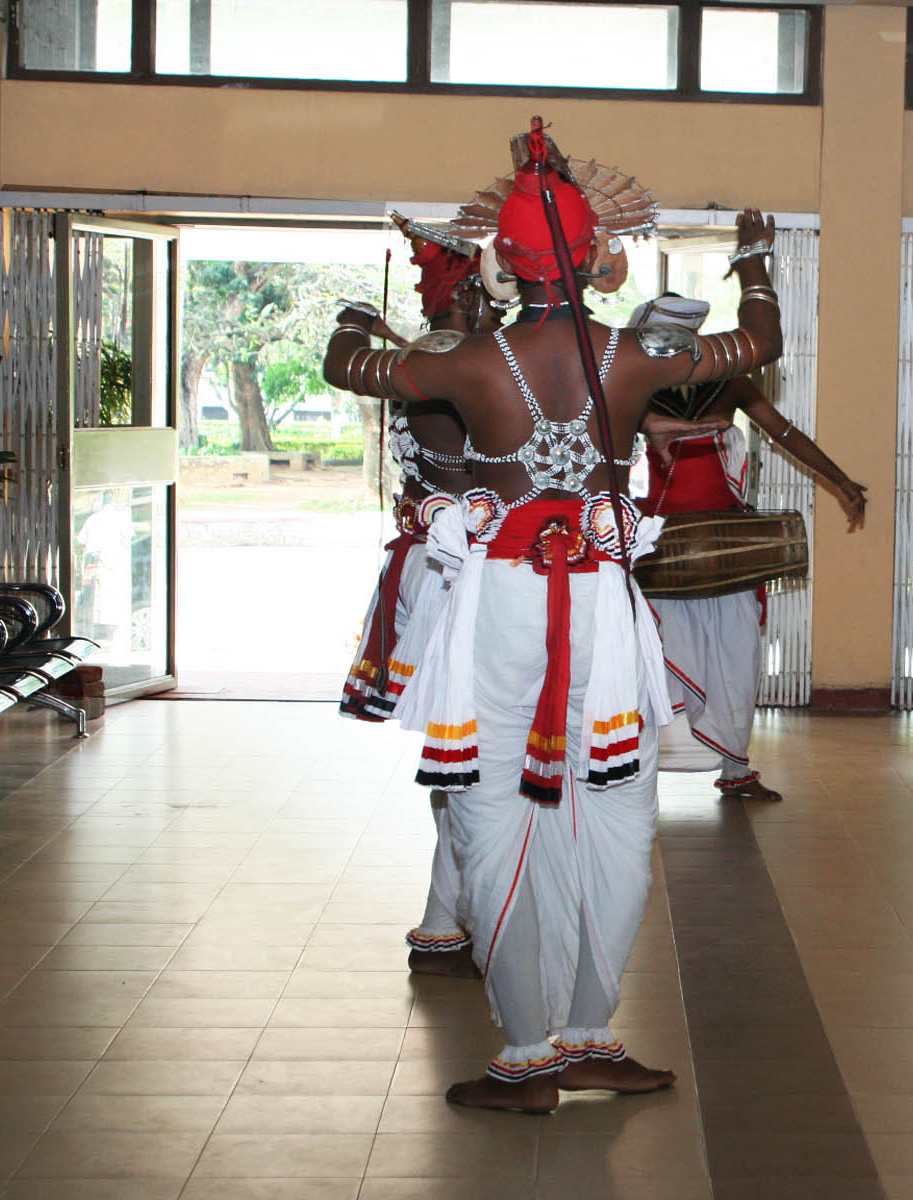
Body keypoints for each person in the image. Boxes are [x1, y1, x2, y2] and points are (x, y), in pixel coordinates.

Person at [324, 119, 780, 1114]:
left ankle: (530, 1051)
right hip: (602, 600)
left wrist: (356, 317)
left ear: (503, 259)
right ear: (596, 253)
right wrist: (754, 259)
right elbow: (758, 344)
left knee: (492, 808)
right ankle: (589, 1032)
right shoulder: (639, 352)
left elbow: (348, 366)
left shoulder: (467, 360)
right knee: (612, 807)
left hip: (501, 600)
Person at [334, 216, 493, 980]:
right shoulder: (457, 363)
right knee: (471, 754)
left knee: (464, 751)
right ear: (470, 291)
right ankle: (457, 917)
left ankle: (447, 917)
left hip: (436, 566)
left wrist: (357, 324)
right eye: (489, 287)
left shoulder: (424, 359)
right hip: (463, 573)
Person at [633, 294, 868, 801]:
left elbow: (785, 433)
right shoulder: (629, 388)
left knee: (736, 663)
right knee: (648, 667)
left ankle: (736, 771)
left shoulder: (729, 381)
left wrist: (841, 480)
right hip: (656, 552)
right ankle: (634, 772)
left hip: (728, 550)